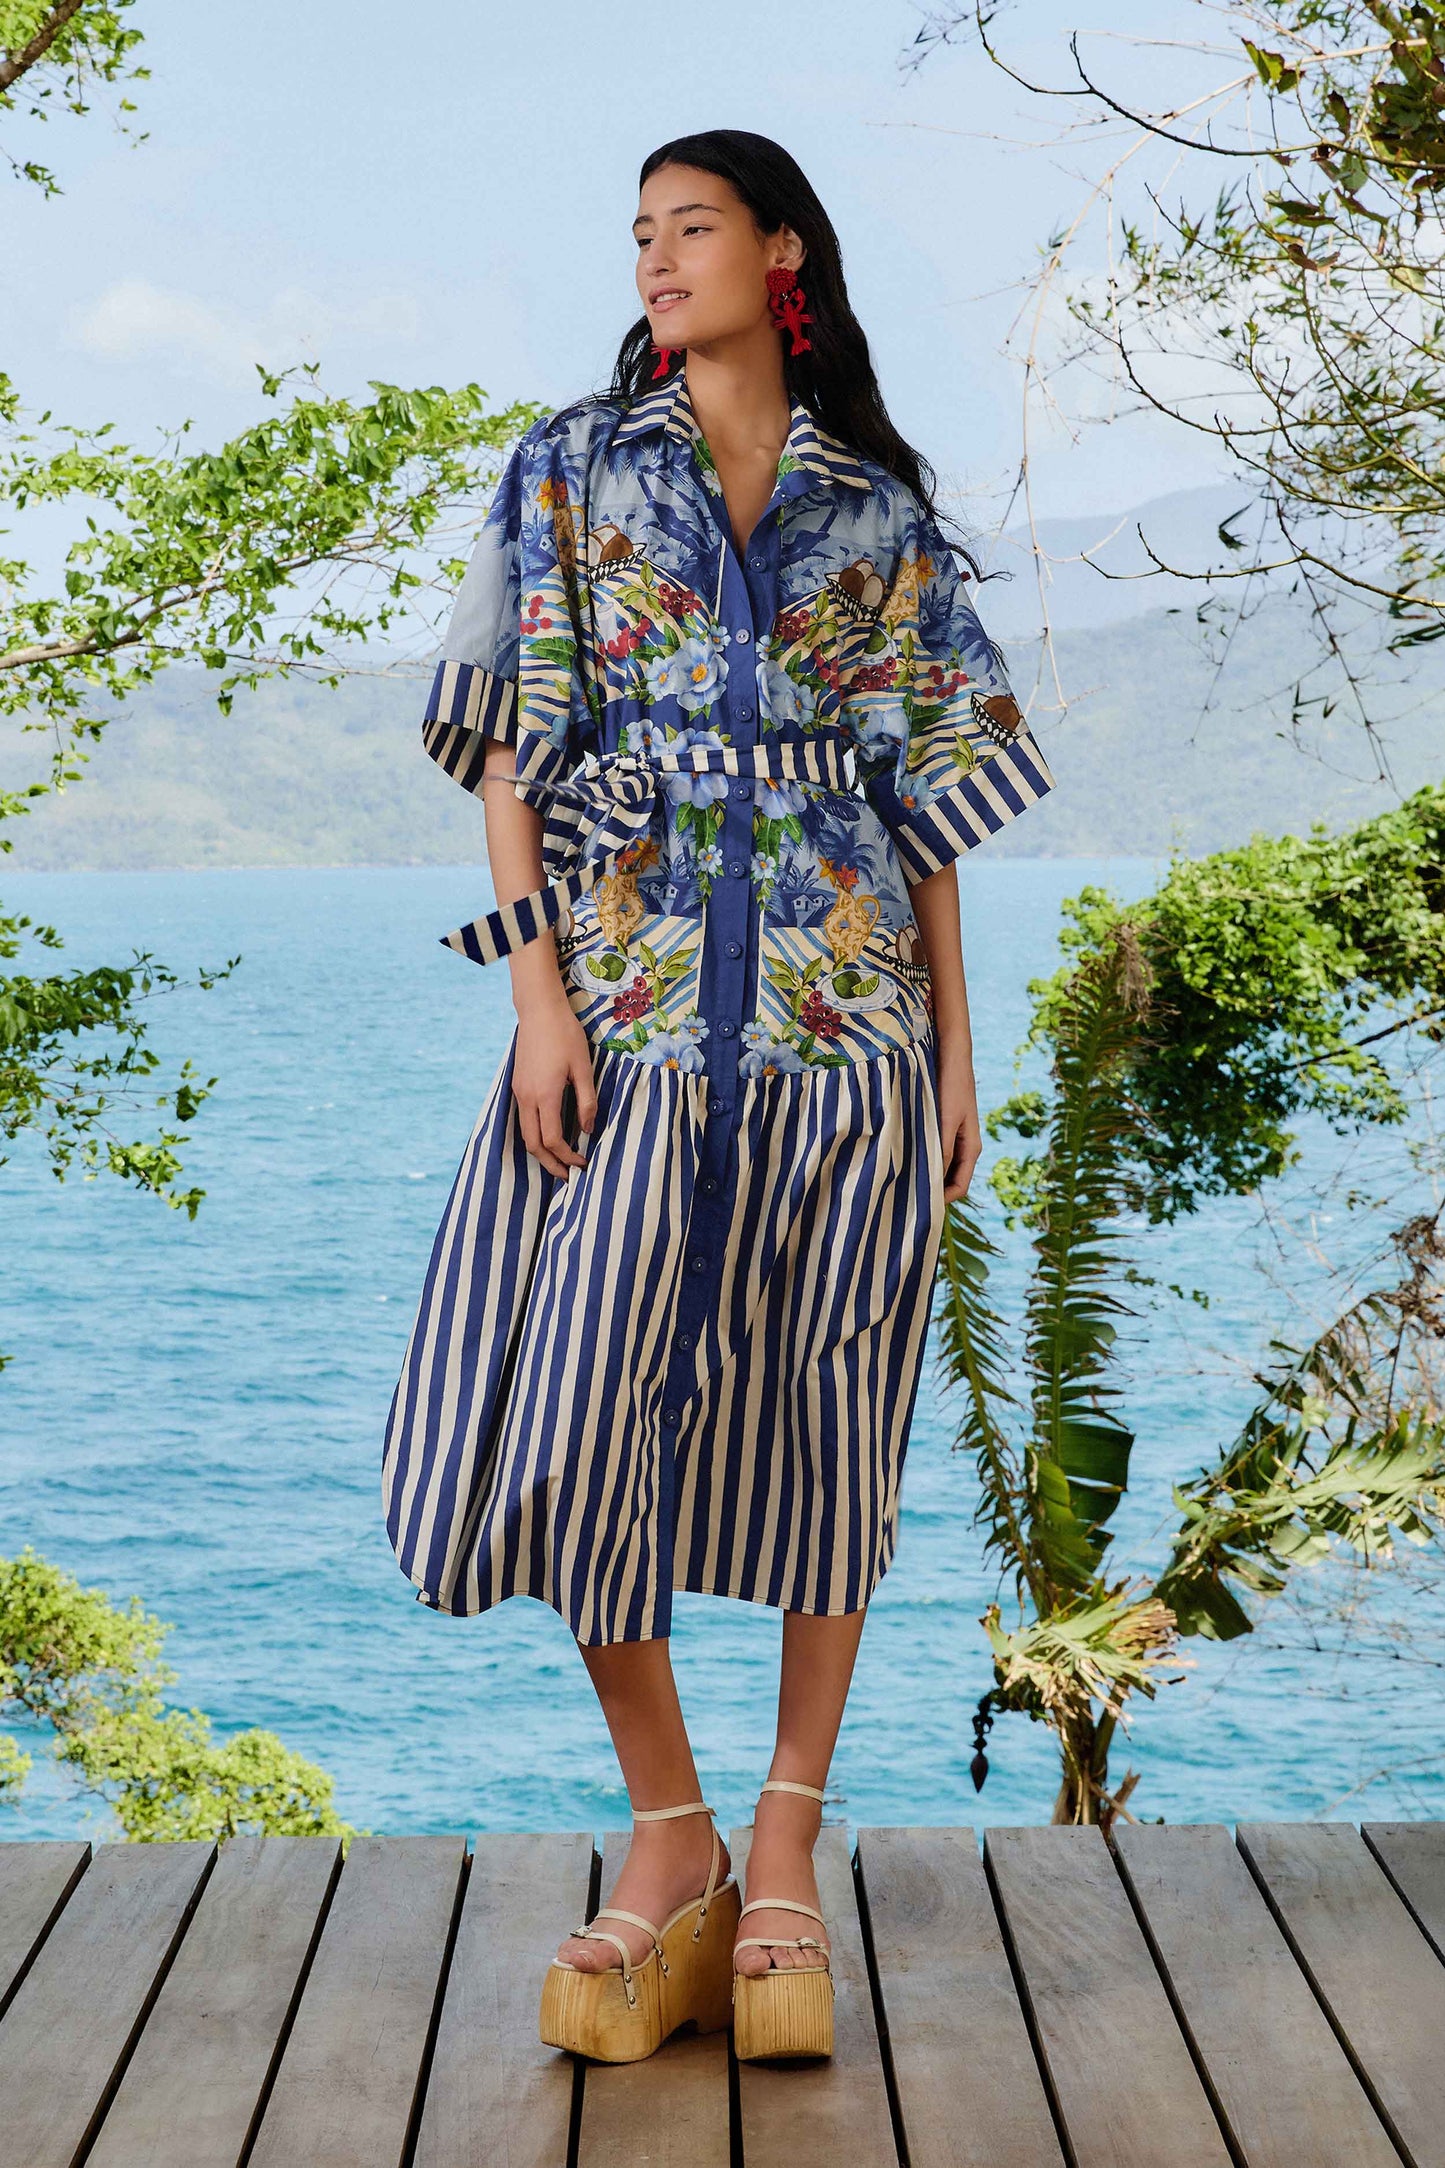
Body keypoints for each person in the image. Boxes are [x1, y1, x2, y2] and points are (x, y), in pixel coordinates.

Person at [381, 128, 1056, 2065]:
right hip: (632, 1016)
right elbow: (511, 756)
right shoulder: (573, 467)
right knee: (573, 1422)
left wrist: (956, 1046)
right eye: (640, 235)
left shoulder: (874, 510)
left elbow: (926, 806)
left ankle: (780, 1847)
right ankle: (666, 1822)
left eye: (692, 227)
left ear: (782, 256)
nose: (657, 259)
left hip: (850, 1034)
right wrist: (537, 1000)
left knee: (832, 1424)